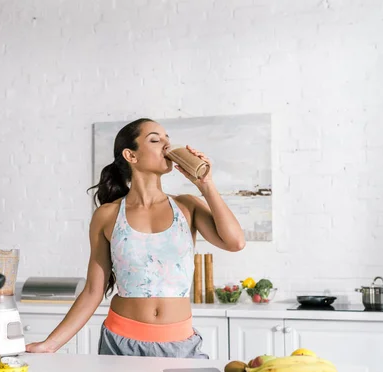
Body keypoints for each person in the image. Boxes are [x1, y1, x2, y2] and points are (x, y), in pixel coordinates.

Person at [26, 118, 245, 358]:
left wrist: (206, 185)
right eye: (155, 139)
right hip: (121, 342)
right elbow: (92, 291)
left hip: (180, 343)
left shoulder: (187, 206)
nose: (167, 145)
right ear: (131, 155)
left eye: (167, 140)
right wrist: (50, 344)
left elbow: (235, 242)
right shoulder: (107, 215)